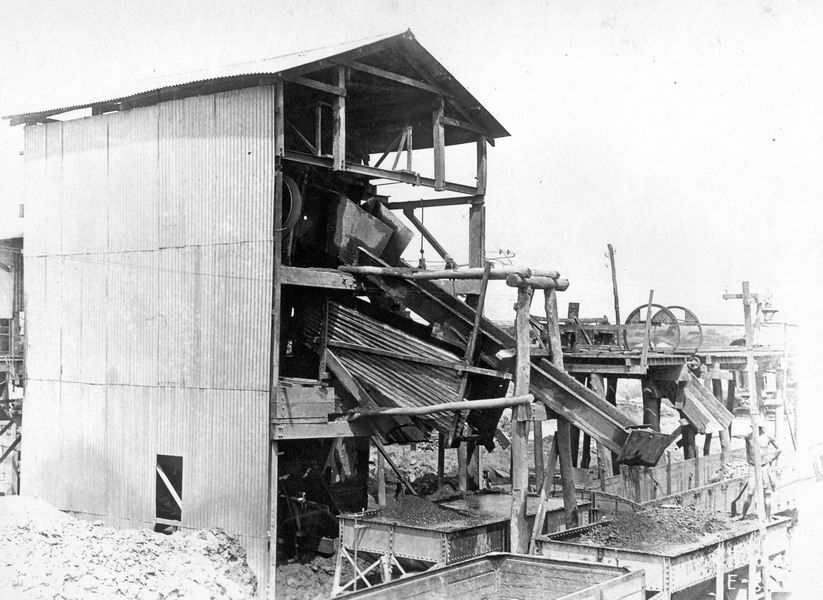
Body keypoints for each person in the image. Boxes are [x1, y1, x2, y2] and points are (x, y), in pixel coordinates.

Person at [738, 420, 780, 519]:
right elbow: (747, 451)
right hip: (753, 467)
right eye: (754, 428)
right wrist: (750, 462)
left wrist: (771, 459)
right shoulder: (748, 438)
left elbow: (779, 449)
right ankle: (743, 515)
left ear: (761, 428)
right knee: (750, 492)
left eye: (758, 428)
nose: (756, 430)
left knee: (767, 493)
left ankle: (768, 517)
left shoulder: (768, 437)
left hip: (764, 467)